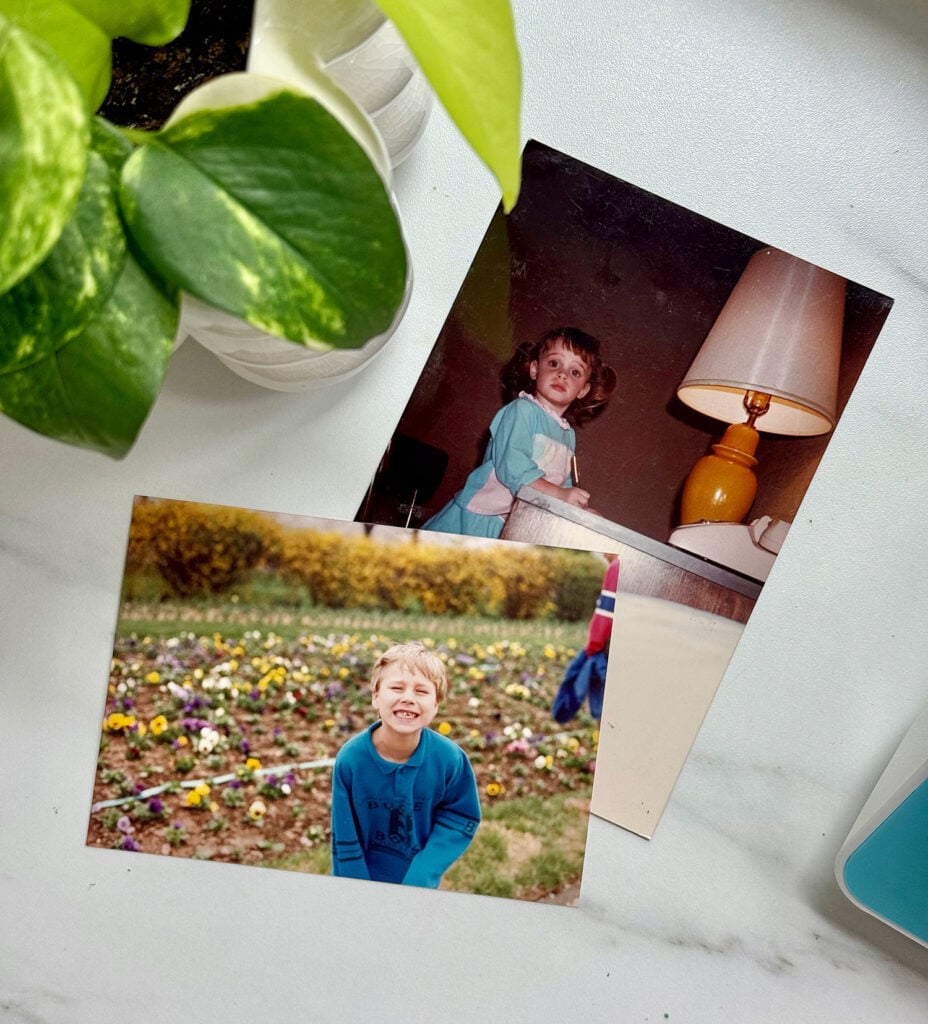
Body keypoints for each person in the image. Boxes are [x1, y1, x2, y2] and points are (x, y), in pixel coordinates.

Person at [423, 327, 617, 538]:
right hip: (482, 516)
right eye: (554, 363)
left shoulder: (568, 435)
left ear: (583, 390)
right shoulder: (522, 410)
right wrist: (560, 495)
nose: (562, 374)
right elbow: (513, 467)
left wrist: (579, 509)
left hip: (516, 523)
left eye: (575, 372)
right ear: (534, 369)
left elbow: (564, 483)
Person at [330, 642, 481, 887]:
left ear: (436, 705)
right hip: (359, 883)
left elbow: (460, 816)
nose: (408, 698)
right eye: (396, 687)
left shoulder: (449, 760)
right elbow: (344, 836)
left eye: (421, 691)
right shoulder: (351, 760)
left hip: (418, 886)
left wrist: (423, 873)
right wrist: (354, 891)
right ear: (376, 697)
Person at [552, 552, 619, 722]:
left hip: (606, 649)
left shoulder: (617, 567)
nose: (603, 554)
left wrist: (592, 648)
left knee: (603, 712)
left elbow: (606, 615)